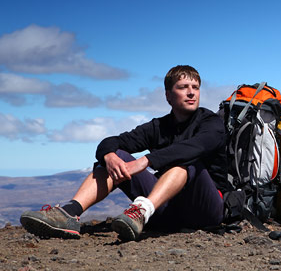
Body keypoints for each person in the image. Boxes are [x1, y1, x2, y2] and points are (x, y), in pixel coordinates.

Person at [20, 65, 230, 241]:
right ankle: (70, 213)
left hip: (205, 212)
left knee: (186, 162)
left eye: (195, 87)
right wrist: (109, 157)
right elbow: (111, 142)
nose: (191, 92)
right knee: (117, 155)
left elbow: (196, 147)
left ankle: (142, 211)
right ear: (168, 95)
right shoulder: (159, 126)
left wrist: (146, 160)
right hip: (165, 211)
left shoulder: (211, 123)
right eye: (183, 87)